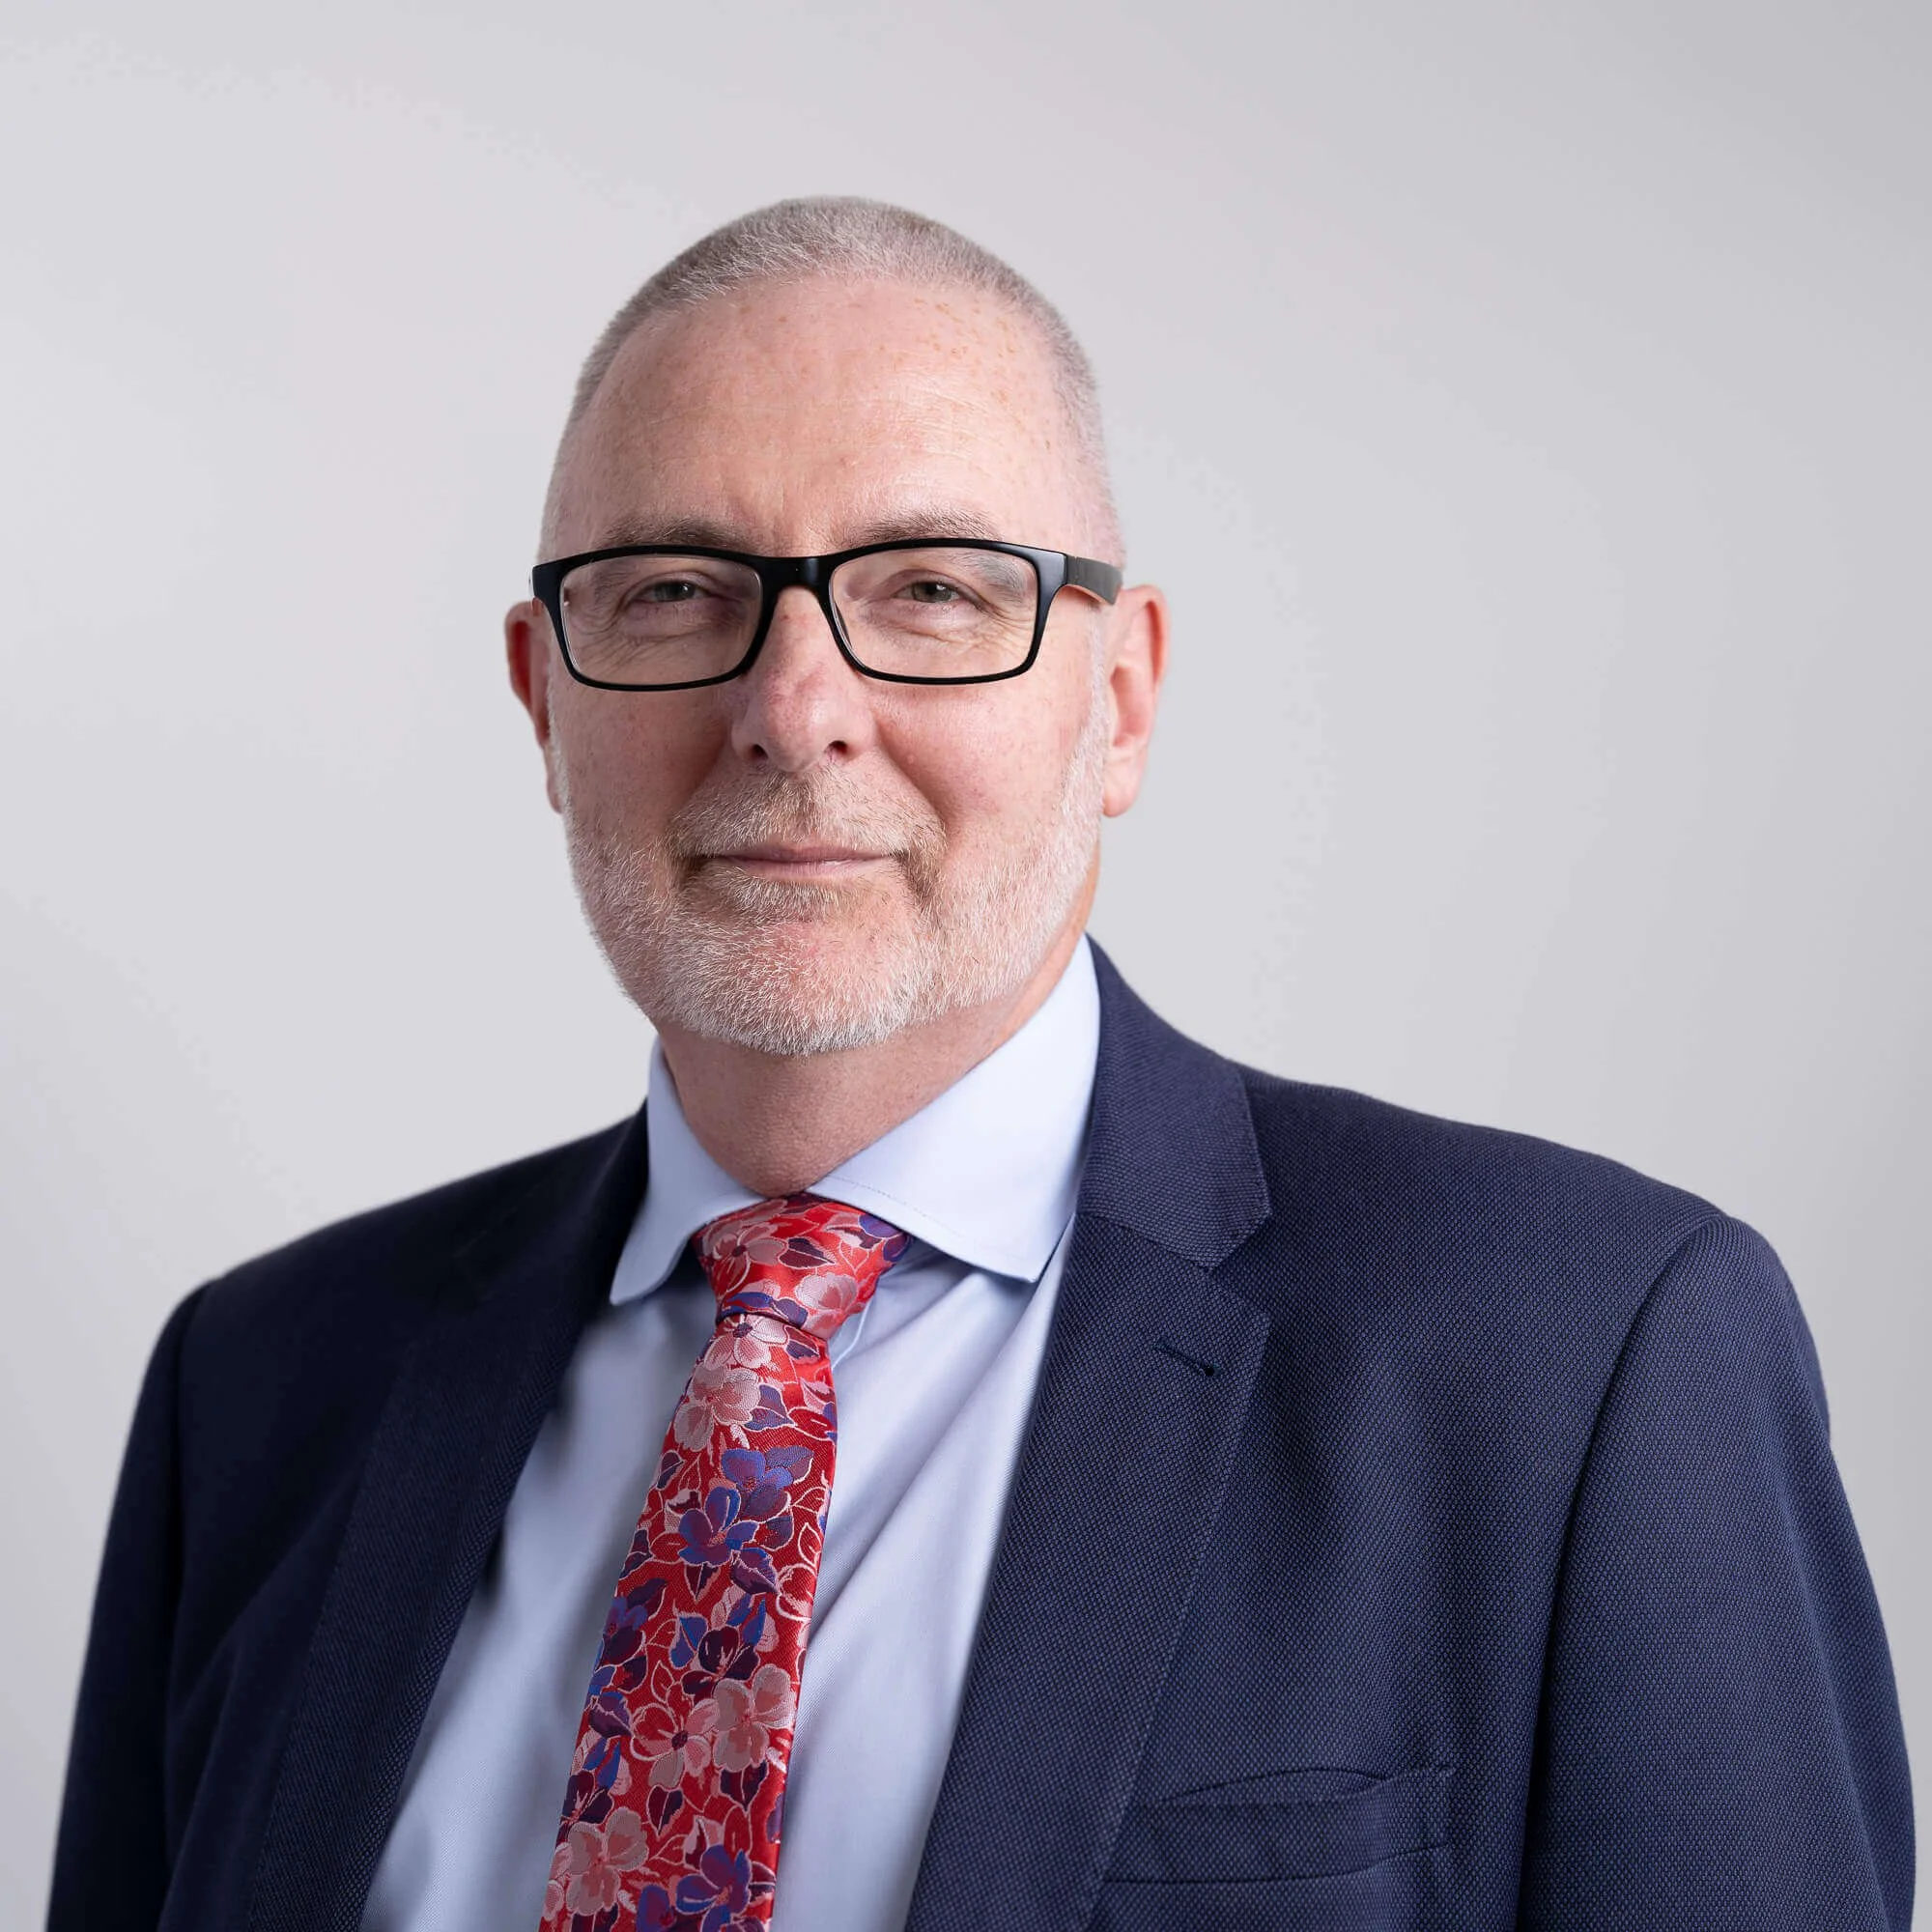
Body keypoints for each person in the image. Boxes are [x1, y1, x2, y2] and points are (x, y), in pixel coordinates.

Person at [50, 197, 1912, 1932]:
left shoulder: (1582, 1360)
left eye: (934, 589)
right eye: (677, 591)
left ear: (1119, 700)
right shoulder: (266, 1388)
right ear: (545, 698)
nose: (793, 713)